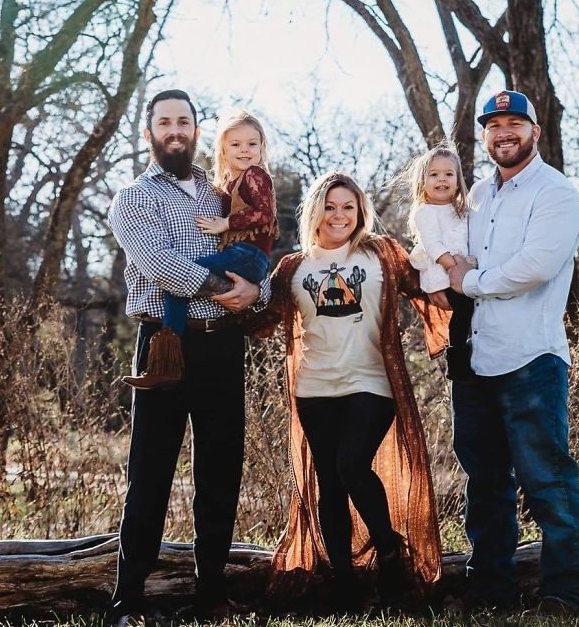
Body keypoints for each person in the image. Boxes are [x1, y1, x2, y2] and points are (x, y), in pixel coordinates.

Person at [250, 172, 447, 610]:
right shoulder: (293, 268)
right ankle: (343, 581)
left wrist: (453, 260)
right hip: (314, 387)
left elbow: (427, 288)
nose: (339, 215)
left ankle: (391, 553)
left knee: (351, 464)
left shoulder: (381, 253)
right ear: (316, 210)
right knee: (330, 484)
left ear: (360, 212)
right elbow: (262, 320)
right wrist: (233, 289)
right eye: (331, 206)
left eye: (349, 207)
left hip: (371, 382)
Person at [107, 89, 268, 626]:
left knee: (221, 469)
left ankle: (211, 595)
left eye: (184, 121)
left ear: (197, 130)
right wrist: (224, 283)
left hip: (223, 341)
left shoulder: (222, 192)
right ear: (149, 131)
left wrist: (257, 295)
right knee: (150, 472)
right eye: (164, 122)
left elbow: (257, 253)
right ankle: (128, 600)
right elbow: (159, 264)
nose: (175, 129)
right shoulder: (132, 198)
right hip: (165, 342)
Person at [447, 90, 579, 617]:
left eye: (514, 124)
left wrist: (471, 281)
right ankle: (491, 592)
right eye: (494, 125)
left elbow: (537, 265)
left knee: (547, 479)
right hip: (475, 361)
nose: (503, 133)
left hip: (531, 360)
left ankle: (565, 593)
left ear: (534, 130)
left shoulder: (556, 192)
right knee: (484, 485)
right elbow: (447, 253)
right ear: (484, 135)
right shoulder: (477, 194)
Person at [122, 110, 278, 389]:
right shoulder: (221, 187)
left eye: (252, 144)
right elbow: (160, 265)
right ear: (222, 149)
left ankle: (167, 352)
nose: (245, 150)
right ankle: (166, 356)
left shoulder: (255, 175)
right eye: (236, 144)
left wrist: (226, 223)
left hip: (246, 265)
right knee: (181, 280)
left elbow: (265, 214)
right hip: (240, 262)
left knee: (182, 280)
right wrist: (222, 287)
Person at [405, 144, 476, 380]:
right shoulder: (425, 213)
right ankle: (456, 356)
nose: (441, 179)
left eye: (448, 174)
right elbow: (433, 245)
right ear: (423, 182)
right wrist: (454, 267)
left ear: (457, 181)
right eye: (434, 174)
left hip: (461, 272)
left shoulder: (462, 211)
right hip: (442, 276)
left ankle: (467, 348)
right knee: (465, 307)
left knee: (471, 310)